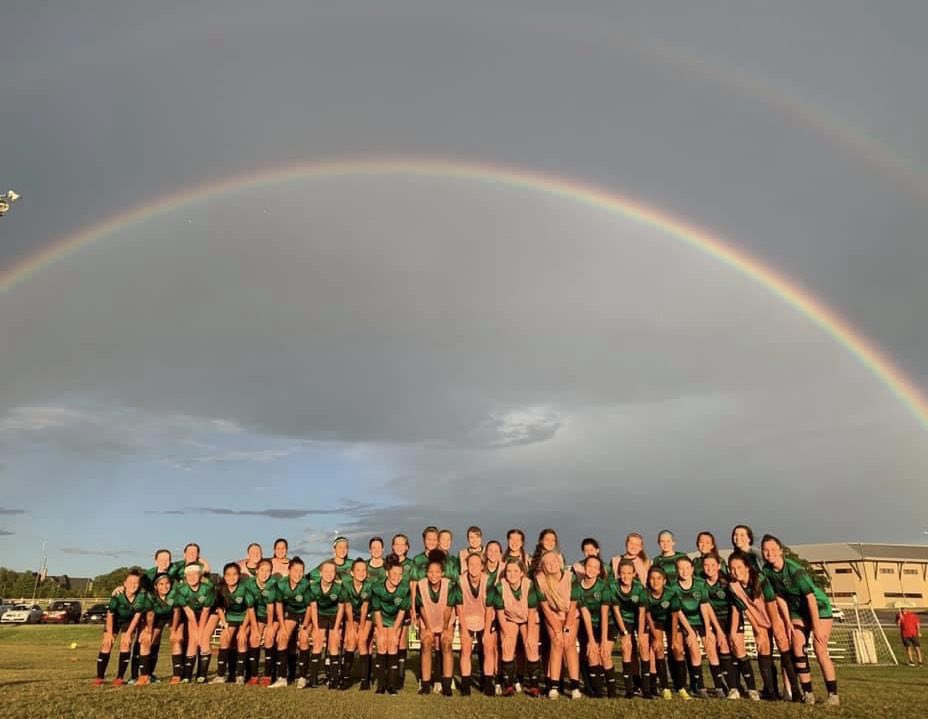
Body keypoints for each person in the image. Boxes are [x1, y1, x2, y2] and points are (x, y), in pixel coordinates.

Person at [761, 534, 839, 706]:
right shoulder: (766, 571)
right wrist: (788, 621)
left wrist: (816, 626)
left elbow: (810, 597)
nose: (769, 553)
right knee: (797, 647)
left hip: (818, 608)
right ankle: (808, 693)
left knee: (820, 649)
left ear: (781, 551)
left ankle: (833, 695)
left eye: (773, 549)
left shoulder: (794, 570)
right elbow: (779, 597)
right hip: (797, 611)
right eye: (766, 550)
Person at [491, 559, 543, 697]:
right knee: (507, 645)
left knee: (531, 645)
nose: (512, 574)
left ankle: (534, 686)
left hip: (528, 618)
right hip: (509, 618)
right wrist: (506, 634)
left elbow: (532, 611)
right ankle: (508, 686)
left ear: (521, 573)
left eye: (515, 571)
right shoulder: (500, 586)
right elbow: (500, 612)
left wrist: (530, 634)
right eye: (508, 571)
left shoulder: (529, 585)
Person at [727, 550, 774, 701]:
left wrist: (776, 624)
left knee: (784, 647)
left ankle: (792, 690)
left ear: (747, 567)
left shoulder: (760, 580)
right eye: (732, 568)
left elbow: (773, 604)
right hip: (759, 619)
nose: (735, 571)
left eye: (739, 567)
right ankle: (769, 691)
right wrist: (757, 627)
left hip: (774, 615)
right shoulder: (733, 586)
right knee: (763, 646)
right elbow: (743, 609)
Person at [535, 549, 581, 699]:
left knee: (569, 644)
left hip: (570, 613)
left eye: (554, 561)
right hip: (552, 613)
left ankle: (574, 686)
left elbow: (574, 604)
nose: (551, 565)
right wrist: (557, 628)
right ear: (543, 566)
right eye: (547, 563)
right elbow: (544, 607)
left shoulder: (571, 577)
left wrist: (567, 627)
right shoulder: (540, 579)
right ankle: (553, 686)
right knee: (556, 642)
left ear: (560, 562)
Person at [416, 550, 460, 696]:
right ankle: (425, 685)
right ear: (426, 573)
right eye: (430, 572)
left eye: (437, 572)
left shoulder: (449, 585)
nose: (433, 575)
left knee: (446, 644)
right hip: (428, 620)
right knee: (426, 644)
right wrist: (427, 628)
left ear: (442, 573)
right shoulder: (421, 585)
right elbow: (421, 607)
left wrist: (445, 628)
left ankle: (447, 685)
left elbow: (448, 608)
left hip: (445, 621)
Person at [672, 555, 716, 699]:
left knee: (710, 648)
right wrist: (690, 631)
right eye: (680, 569)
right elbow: (678, 611)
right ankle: (699, 686)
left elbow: (704, 607)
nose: (684, 571)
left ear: (692, 569)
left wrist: (708, 629)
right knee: (694, 649)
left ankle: (719, 686)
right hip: (686, 622)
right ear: (677, 571)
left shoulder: (700, 584)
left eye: (687, 568)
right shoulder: (673, 587)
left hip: (701, 621)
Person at [94, 569, 147, 686]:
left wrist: (128, 633)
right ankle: (99, 677)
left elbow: (137, 616)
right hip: (115, 621)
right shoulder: (117, 595)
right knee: (107, 644)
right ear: (125, 583)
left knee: (125, 644)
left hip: (129, 622)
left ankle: (119, 677)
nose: (133, 585)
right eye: (131, 582)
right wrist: (108, 632)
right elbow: (110, 614)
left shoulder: (141, 597)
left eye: (136, 582)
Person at [457, 551, 497, 696]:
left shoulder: (489, 581)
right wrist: (465, 629)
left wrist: (486, 631)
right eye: (470, 564)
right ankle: (466, 685)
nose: (474, 567)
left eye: (477, 564)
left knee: (488, 648)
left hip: (486, 617)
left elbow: (489, 608)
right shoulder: (460, 581)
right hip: (467, 618)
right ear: (466, 566)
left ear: (482, 566)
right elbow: (459, 608)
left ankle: (488, 684)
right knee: (466, 649)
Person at [169, 563, 217, 684]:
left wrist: (200, 633)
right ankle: (187, 676)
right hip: (194, 614)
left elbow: (206, 612)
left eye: (195, 574)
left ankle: (202, 675)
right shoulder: (181, 590)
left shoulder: (208, 588)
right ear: (185, 577)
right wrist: (196, 632)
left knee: (204, 638)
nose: (192, 577)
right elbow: (188, 612)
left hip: (211, 612)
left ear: (200, 576)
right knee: (193, 641)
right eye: (189, 575)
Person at [269, 557, 312, 688]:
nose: (298, 574)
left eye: (301, 571)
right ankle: (282, 678)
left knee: (304, 639)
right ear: (289, 570)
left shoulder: (306, 585)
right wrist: (282, 626)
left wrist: (304, 627)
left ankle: (302, 677)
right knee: (282, 637)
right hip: (290, 613)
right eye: (295, 570)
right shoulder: (281, 584)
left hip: (306, 613)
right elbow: (279, 606)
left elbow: (310, 608)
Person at [609, 559, 649, 699]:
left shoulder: (640, 588)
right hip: (623, 620)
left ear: (634, 574)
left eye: (629, 573)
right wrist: (624, 632)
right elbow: (616, 611)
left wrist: (641, 633)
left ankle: (646, 689)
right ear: (619, 574)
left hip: (639, 619)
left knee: (643, 647)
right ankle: (629, 690)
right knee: (626, 647)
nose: (626, 576)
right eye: (623, 573)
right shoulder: (613, 587)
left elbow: (642, 612)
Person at [372, 555, 412, 694]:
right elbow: (376, 611)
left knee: (393, 644)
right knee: (382, 644)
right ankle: (381, 686)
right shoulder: (377, 588)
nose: (397, 576)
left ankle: (392, 686)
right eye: (394, 573)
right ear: (387, 573)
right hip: (381, 619)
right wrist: (381, 631)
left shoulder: (405, 589)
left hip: (396, 620)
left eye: (400, 574)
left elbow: (402, 612)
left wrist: (395, 631)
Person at [701, 552, 739, 698]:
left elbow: (735, 607)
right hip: (710, 620)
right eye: (706, 565)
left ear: (718, 566)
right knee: (711, 649)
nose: (709, 568)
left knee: (728, 648)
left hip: (728, 619)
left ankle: (734, 687)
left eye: (712, 565)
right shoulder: (701, 583)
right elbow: (706, 607)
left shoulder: (726, 583)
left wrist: (732, 630)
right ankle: (719, 688)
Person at [575, 555, 612, 698]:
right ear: (584, 567)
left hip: (605, 624)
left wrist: (602, 640)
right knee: (591, 655)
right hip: (588, 625)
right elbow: (585, 614)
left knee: (605, 655)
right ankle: (597, 692)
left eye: (595, 567)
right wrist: (591, 639)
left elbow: (604, 614)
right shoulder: (577, 588)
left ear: (599, 571)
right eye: (589, 566)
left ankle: (612, 691)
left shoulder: (603, 586)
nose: (592, 569)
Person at [211, 562, 252, 684]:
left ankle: (240, 675)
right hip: (230, 618)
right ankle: (221, 675)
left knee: (242, 640)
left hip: (245, 618)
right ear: (224, 576)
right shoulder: (220, 589)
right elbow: (219, 608)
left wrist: (244, 628)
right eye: (228, 574)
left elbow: (250, 609)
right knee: (224, 638)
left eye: (234, 574)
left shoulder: (245, 588)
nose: (231, 577)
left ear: (239, 576)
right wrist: (224, 624)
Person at [309, 560, 345, 688]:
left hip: (335, 616)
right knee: (317, 643)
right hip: (321, 615)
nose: (329, 574)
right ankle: (313, 679)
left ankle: (334, 679)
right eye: (326, 571)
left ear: (335, 574)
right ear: (320, 573)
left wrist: (336, 628)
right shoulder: (313, 587)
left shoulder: (339, 588)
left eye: (332, 571)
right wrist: (316, 627)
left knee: (334, 644)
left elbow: (341, 608)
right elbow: (313, 608)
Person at [644, 566, 678, 700]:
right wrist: (655, 637)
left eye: (659, 578)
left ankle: (680, 686)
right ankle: (664, 687)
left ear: (664, 581)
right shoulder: (645, 594)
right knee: (658, 649)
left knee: (677, 649)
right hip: (654, 623)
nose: (655, 581)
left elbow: (675, 618)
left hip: (669, 622)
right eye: (652, 578)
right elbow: (648, 616)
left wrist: (674, 639)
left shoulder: (671, 594)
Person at [340, 558, 373, 689]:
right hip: (352, 616)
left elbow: (365, 608)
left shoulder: (369, 585)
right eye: (358, 570)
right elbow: (347, 607)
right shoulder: (346, 584)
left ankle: (365, 681)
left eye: (363, 570)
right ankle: (346, 678)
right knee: (351, 641)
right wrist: (352, 628)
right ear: (352, 572)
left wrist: (362, 628)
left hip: (368, 615)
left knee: (362, 640)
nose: (361, 572)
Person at [243, 558, 277, 685]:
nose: (265, 573)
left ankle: (268, 675)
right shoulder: (250, 584)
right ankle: (254, 675)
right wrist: (255, 629)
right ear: (256, 571)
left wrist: (269, 626)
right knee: (254, 638)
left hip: (273, 616)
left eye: (268, 571)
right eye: (262, 570)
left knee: (269, 638)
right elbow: (250, 607)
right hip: (258, 615)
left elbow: (271, 607)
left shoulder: (273, 584)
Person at [137, 572, 173, 685]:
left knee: (158, 643)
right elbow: (150, 614)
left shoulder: (174, 595)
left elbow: (176, 612)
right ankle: (144, 676)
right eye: (161, 584)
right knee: (147, 641)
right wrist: (148, 630)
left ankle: (149, 674)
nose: (164, 586)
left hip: (167, 618)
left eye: (167, 583)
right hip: (151, 620)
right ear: (155, 586)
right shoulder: (150, 596)